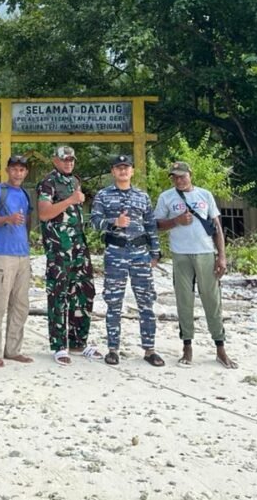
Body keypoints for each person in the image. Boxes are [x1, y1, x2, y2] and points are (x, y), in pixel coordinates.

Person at [154, 161, 237, 368]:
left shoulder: (205, 195)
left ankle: (220, 347)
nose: (179, 180)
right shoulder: (166, 197)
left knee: (212, 299)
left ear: (190, 174)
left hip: (206, 252)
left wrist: (222, 256)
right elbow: (156, 224)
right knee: (184, 300)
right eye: (175, 177)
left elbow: (217, 226)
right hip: (180, 254)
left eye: (182, 176)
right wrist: (176, 221)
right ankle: (187, 346)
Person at [91, 154, 164, 367]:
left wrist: (155, 252)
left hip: (140, 254)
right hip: (116, 254)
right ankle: (113, 349)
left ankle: (149, 349)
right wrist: (115, 222)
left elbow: (151, 225)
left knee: (146, 302)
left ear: (132, 171)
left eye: (126, 167)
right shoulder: (103, 196)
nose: (123, 171)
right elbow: (94, 222)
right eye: (118, 168)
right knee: (114, 302)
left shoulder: (142, 196)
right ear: (113, 172)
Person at [36, 145, 94, 365]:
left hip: (79, 244)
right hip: (59, 248)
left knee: (84, 290)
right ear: (55, 160)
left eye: (72, 159)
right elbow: (43, 213)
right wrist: (70, 200)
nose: (69, 162)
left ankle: (79, 341)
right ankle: (59, 345)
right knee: (59, 293)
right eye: (65, 159)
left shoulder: (75, 180)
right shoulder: (48, 182)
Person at [0, 154, 34, 367]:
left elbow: (27, 223)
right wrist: (6, 219)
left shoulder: (25, 195)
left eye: (22, 169)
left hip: (23, 255)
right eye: (14, 169)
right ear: (8, 170)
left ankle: (13, 350)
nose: (18, 173)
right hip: (3, 254)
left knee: (20, 305)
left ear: (25, 172)